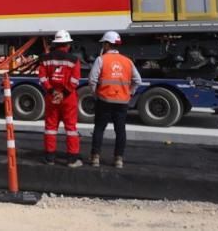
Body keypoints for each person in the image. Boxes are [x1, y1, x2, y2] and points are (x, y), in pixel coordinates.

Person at [88, 31, 142, 168]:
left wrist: (96, 94)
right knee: (120, 130)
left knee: (99, 128)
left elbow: (92, 80)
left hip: (104, 100)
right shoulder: (127, 61)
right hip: (122, 102)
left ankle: (95, 157)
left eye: (103, 43)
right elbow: (138, 80)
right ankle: (118, 159)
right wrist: (129, 93)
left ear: (107, 44)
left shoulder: (101, 59)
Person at [38, 29, 82, 167]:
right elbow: (75, 80)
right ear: (68, 44)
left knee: (50, 127)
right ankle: (72, 160)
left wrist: (52, 91)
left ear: (55, 44)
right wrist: (64, 93)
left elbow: (42, 78)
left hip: (52, 97)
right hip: (68, 98)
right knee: (70, 128)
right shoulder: (74, 60)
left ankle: (50, 158)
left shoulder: (45, 59)